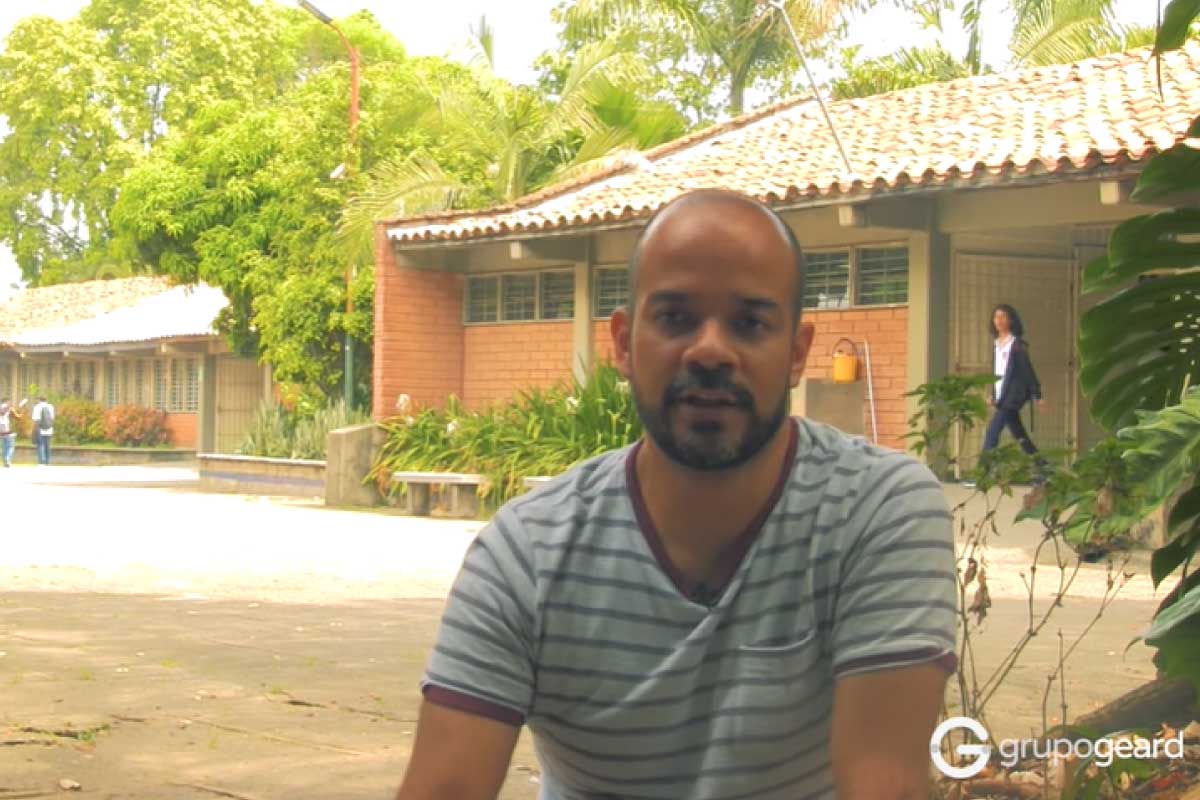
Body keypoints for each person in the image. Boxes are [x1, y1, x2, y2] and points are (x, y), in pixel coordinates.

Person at [395, 189, 958, 800]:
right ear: (624, 344)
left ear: (797, 352)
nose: (710, 349)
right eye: (674, 318)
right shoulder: (527, 554)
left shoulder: (875, 512)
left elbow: (883, 781)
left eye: (750, 322)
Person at [981, 304, 1046, 469]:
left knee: (992, 432)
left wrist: (1037, 395)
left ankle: (982, 473)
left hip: (1013, 396)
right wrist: (993, 394)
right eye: (996, 317)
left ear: (1011, 320)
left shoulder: (1016, 344)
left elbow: (1027, 370)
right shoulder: (996, 344)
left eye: (1003, 316)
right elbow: (998, 373)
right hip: (1002, 396)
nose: (999, 320)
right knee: (1019, 435)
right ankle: (1046, 469)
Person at [31, 395, 54, 466]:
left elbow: (35, 419)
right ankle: (47, 461)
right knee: (48, 445)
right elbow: (52, 418)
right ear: (46, 400)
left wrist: (33, 430)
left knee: (40, 445)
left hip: (39, 429)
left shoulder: (37, 407)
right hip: (49, 429)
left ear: (39, 400)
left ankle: (41, 461)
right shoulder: (51, 407)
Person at [0, 399, 20, 467]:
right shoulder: (10, 409)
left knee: (4, 447)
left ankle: (5, 461)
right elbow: (18, 417)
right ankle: (7, 459)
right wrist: (20, 413)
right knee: (10, 446)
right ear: (7, 402)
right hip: (9, 432)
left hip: (1, 432)